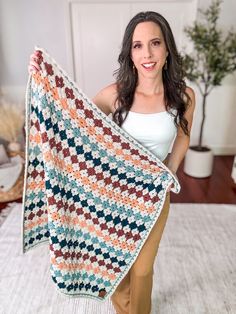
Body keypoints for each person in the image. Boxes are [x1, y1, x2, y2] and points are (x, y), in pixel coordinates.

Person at [28, 10, 195, 314]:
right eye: (138, 45)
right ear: (130, 54)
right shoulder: (116, 96)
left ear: (167, 48)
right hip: (113, 196)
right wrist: (44, 83)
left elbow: (183, 135)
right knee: (116, 265)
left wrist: (170, 169)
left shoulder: (184, 96)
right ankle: (123, 308)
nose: (147, 53)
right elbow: (74, 125)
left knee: (142, 269)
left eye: (155, 43)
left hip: (153, 196)